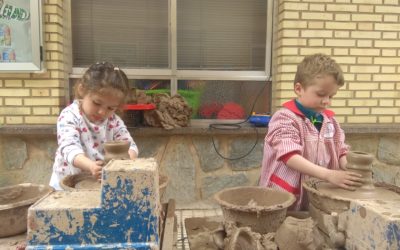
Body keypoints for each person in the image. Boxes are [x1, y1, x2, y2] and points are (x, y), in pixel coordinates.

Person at [259, 53, 362, 210]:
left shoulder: (330, 122)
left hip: (316, 196)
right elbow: (289, 156)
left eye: (331, 96)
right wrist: (329, 175)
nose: (327, 101)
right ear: (299, 89)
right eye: (321, 94)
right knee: (283, 231)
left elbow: (341, 151)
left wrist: (349, 168)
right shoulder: (285, 118)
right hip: (283, 198)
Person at [49, 62, 138, 190]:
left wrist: (126, 161)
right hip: (66, 185)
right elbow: (69, 148)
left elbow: (131, 147)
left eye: (110, 108)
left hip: (99, 185)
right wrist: (91, 166)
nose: (102, 112)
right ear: (82, 90)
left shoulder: (114, 121)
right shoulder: (70, 116)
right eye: (96, 103)